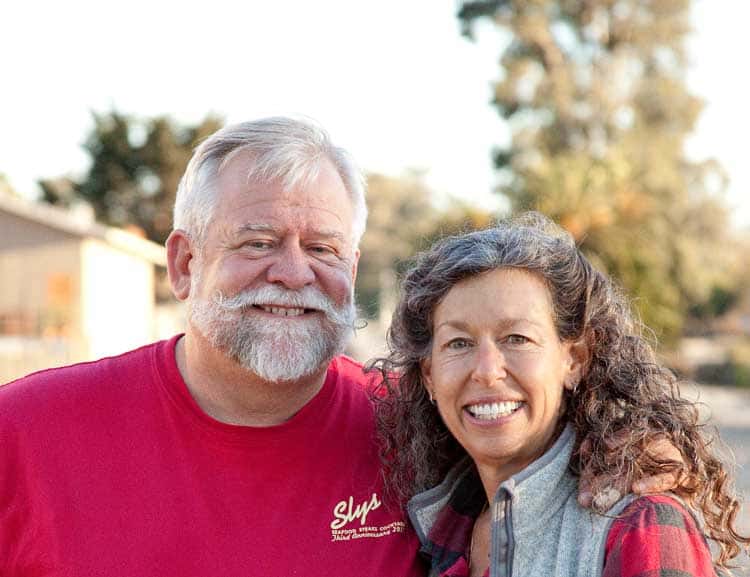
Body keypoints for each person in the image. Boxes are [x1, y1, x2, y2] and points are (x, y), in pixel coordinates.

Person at [0, 118, 685, 576]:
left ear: (351, 269)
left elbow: (540, 447)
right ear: (184, 264)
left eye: (322, 248)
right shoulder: (24, 431)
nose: (293, 271)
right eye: (258, 242)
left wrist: (638, 464)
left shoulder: (414, 428)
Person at [372, 213, 749, 577]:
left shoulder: (637, 525)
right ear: (429, 376)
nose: (486, 370)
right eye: (458, 343)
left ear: (574, 359)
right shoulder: (438, 525)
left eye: (517, 338)